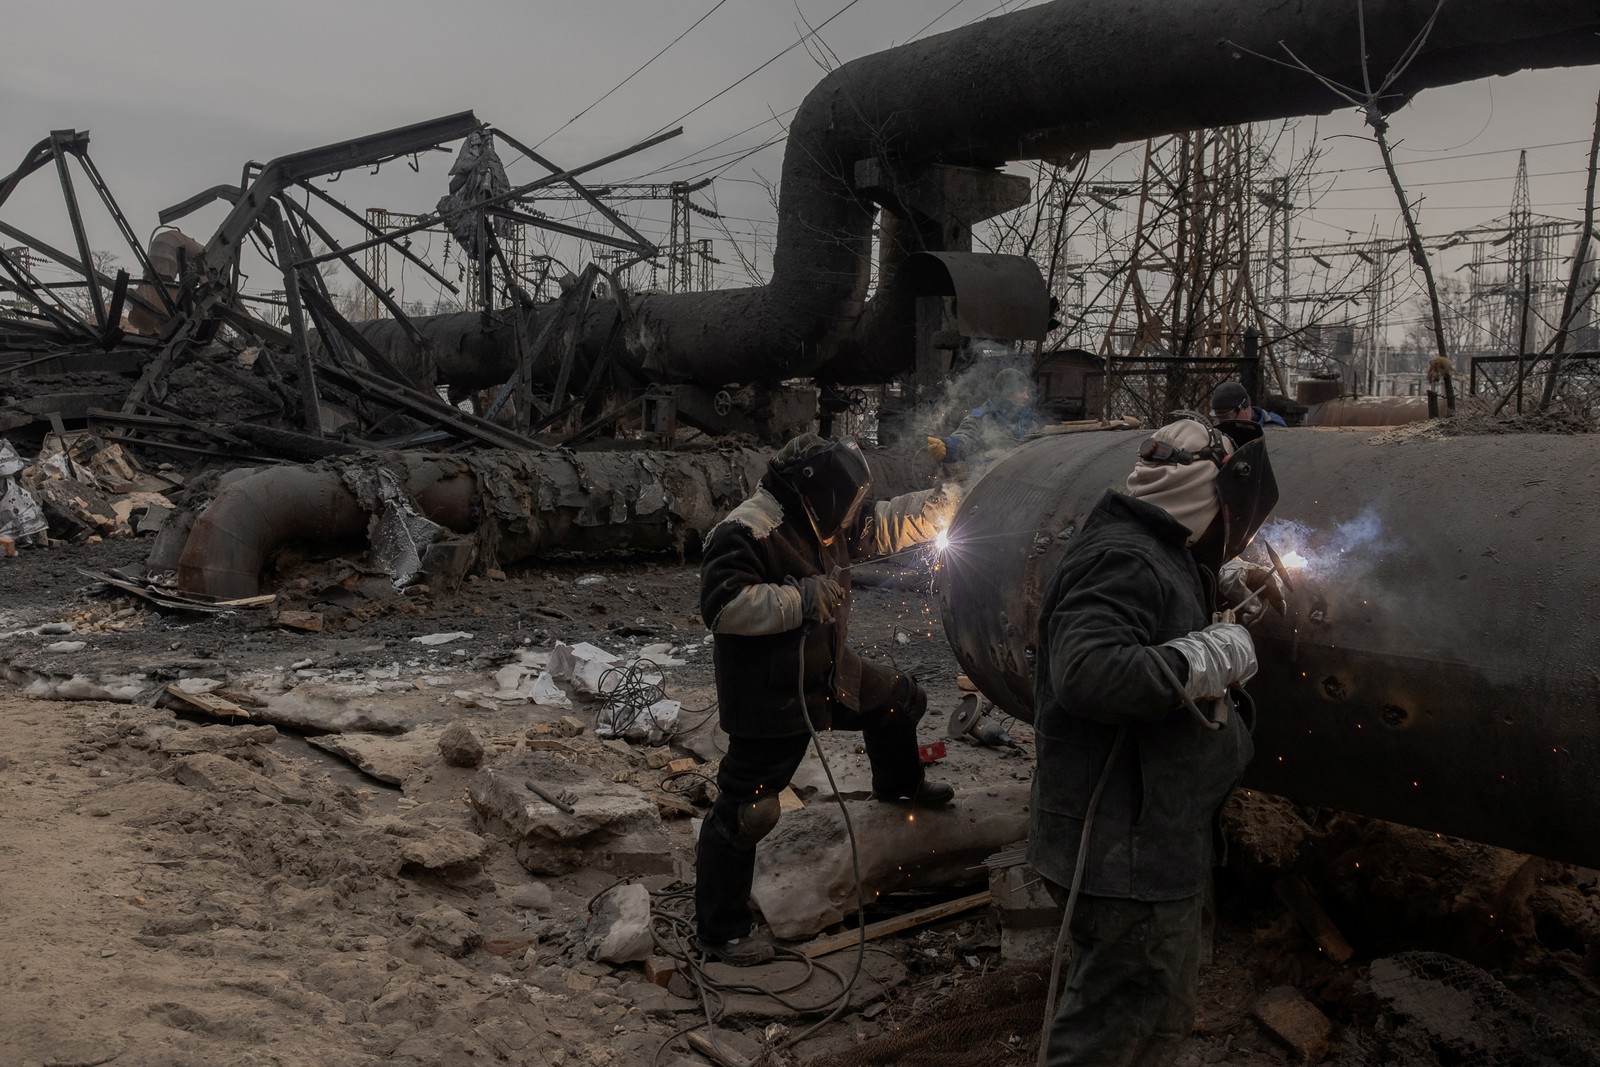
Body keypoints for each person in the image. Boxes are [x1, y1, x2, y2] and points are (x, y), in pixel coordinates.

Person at [1029, 412, 1280, 1066]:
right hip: (1122, 851)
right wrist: (1205, 656)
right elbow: (1086, 670)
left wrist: (1210, 590)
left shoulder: (1148, 542)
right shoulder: (1123, 555)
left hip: (1154, 843)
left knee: (1157, 1014)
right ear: (1206, 500)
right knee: (1109, 1032)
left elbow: (1147, 610)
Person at [695, 433, 960, 965]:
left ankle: (901, 786)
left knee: (901, 700)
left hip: (832, 674)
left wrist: (946, 500)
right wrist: (800, 599)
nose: (848, 519)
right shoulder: (749, 529)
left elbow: (881, 523)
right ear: (809, 490)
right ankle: (721, 930)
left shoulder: (827, 515)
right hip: (773, 694)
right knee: (748, 810)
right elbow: (721, 607)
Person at [927, 367, 1044, 463]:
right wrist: (947, 446)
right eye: (1022, 391)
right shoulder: (982, 418)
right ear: (1007, 392)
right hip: (986, 486)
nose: (1026, 396)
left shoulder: (1029, 421)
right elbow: (965, 438)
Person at [1209, 380, 1286, 428]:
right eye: (1219, 418)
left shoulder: (1273, 426)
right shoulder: (1219, 429)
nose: (1225, 423)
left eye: (1228, 416)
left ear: (1244, 407)